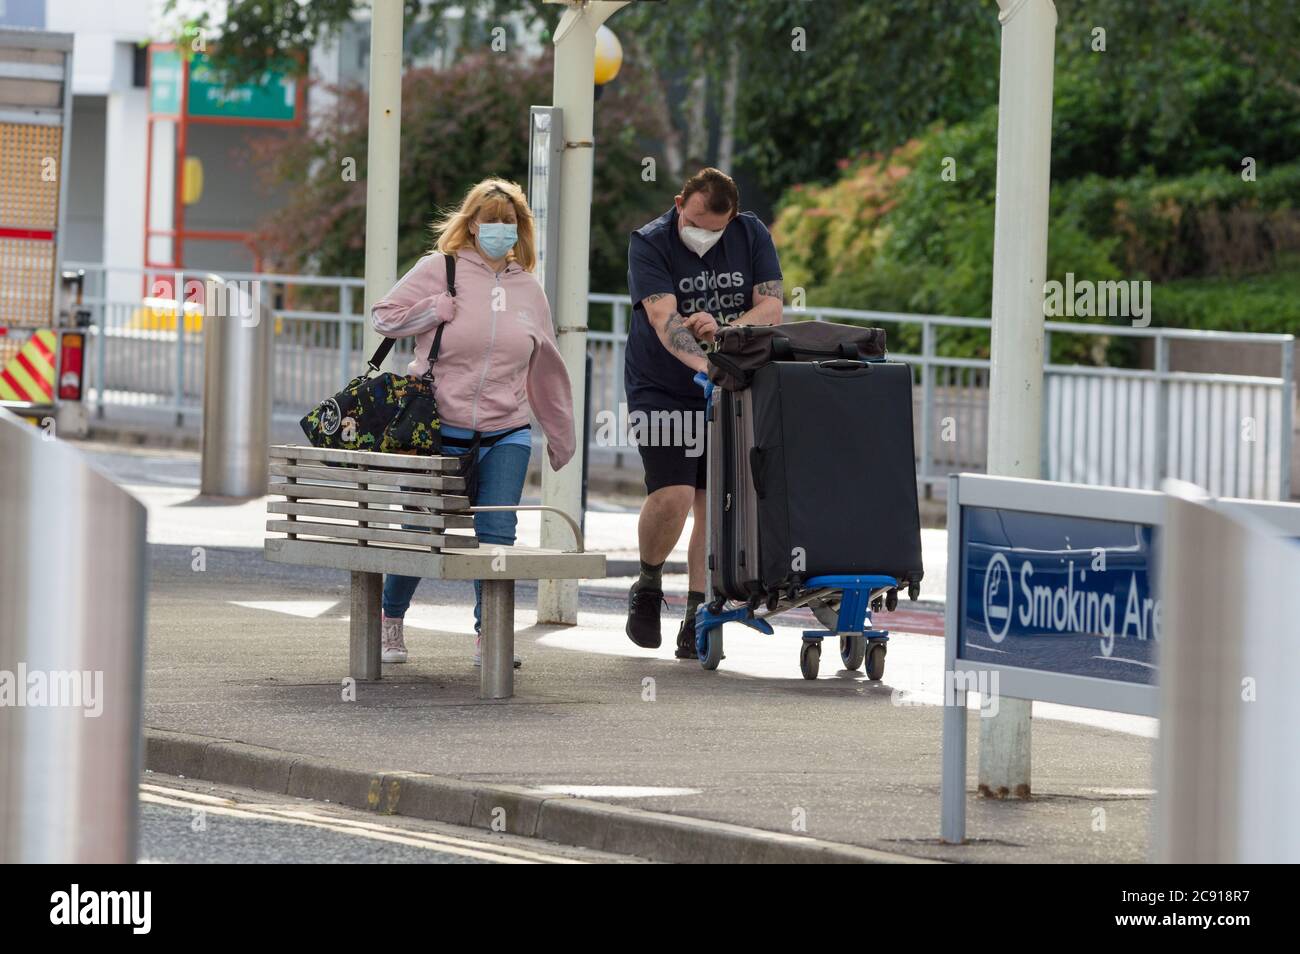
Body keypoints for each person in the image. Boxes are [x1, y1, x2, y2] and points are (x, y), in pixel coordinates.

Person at [370, 178, 575, 667]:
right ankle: (390, 619)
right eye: (491, 221)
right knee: (425, 530)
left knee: (498, 534)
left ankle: (491, 636)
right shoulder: (438, 269)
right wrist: (430, 311)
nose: (500, 230)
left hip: (506, 431)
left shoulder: (529, 289)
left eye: (510, 222)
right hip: (440, 428)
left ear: (521, 229)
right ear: (471, 224)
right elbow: (384, 315)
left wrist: (560, 434)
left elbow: (545, 364)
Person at [622, 167, 784, 658]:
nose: (703, 234)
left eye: (714, 228)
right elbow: (663, 318)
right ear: (678, 203)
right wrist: (707, 362)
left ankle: (698, 613)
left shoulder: (751, 233)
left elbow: (771, 308)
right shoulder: (650, 243)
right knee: (671, 495)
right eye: (693, 221)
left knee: (713, 504)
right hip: (663, 386)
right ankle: (648, 582)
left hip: (730, 382)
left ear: (730, 218)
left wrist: (727, 331)